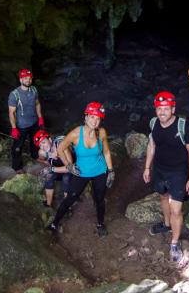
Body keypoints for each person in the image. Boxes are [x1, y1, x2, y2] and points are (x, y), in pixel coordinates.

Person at [143, 91, 189, 262]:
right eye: (159, 109)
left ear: (173, 109)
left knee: (176, 209)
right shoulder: (153, 123)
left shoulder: (184, 126)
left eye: (166, 109)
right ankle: (166, 225)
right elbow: (151, 145)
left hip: (178, 173)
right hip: (159, 169)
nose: (162, 112)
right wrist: (147, 167)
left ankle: (174, 242)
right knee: (163, 196)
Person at [47, 102, 114, 237]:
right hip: (81, 172)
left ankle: (100, 224)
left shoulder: (101, 132)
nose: (95, 121)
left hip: (100, 171)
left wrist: (111, 171)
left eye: (98, 118)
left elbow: (106, 152)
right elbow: (60, 148)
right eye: (92, 117)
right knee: (70, 198)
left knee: (100, 199)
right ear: (86, 117)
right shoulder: (75, 134)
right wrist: (69, 166)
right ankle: (54, 223)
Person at [8, 69, 44, 173]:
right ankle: (17, 166)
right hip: (21, 125)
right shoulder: (14, 94)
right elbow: (12, 112)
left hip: (34, 122)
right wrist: (14, 128)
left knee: (35, 142)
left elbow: (37, 104)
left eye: (29, 78)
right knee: (18, 147)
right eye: (25, 78)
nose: (28, 80)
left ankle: (35, 156)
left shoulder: (34, 90)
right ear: (20, 80)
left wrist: (40, 118)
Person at [34, 130, 71, 208]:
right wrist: (49, 156)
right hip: (58, 169)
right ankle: (48, 203)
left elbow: (70, 168)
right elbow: (40, 159)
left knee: (66, 178)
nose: (43, 146)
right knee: (48, 176)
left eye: (44, 142)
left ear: (50, 140)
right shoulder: (42, 152)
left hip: (72, 170)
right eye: (40, 145)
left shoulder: (61, 146)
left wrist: (51, 169)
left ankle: (67, 205)